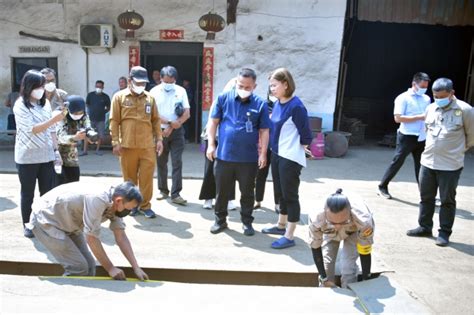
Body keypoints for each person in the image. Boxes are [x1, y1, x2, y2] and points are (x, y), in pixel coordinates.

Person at [27, 181, 149, 280]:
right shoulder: (98, 199)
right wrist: (111, 268)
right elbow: (91, 238)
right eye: (129, 209)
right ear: (118, 201)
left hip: (68, 223)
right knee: (78, 268)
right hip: (47, 220)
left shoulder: (117, 204)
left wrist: (136, 267)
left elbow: (121, 237)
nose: (129, 212)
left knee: (90, 266)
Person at [407, 78, 474, 246]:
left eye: (442, 96)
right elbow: (428, 130)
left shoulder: (465, 110)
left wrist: (457, 151)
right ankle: (424, 227)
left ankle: (444, 233)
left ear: (452, 94)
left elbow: (471, 136)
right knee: (425, 197)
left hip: (450, 165)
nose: (438, 99)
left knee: (447, 201)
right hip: (428, 162)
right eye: (435, 96)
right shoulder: (430, 108)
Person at [206, 68, 270, 235]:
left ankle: (247, 222)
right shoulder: (223, 98)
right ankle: (220, 221)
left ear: (254, 86)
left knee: (247, 192)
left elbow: (264, 131)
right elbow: (213, 123)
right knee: (222, 192)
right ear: (236, 82)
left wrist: (263, 154)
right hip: (224, 156)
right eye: (241, 85)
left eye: (247, 87)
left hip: (248, 158)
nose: (243, 89)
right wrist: (211, 144)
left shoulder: (260, 104)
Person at [261, 68, 312, 248]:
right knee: (280, 193)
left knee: (290, 195)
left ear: (286, 84)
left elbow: (306, 134)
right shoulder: (277, 103)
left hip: (290, 156)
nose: (272, 89)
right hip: (277, 153)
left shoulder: (296, 106)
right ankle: (281, 226)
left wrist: (303, 147)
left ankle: (289, 236)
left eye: (274, 85)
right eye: (270, 86)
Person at [14, 69, 65, 238]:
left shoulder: (45, 104)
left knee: (47, 193)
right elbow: (31, 130)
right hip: (27, 157)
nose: (42, 89)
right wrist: (54, 120)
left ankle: (45, 223)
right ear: (29, 86)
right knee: (28, 193)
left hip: (46, 155)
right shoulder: (20, 105)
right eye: (39, 86)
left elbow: (51, 130)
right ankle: (28, 224)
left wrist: (56, 151)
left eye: (43, 86)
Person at [110, 66, 163, 219]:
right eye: (138, 83)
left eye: (143, 84)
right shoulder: (119, 97)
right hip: (127, 146)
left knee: (147, 178)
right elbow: (114, 121)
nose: (141, 86)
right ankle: (131, 206)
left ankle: (145, 206)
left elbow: (155, 121)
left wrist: (159, 139)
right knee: (129, 179)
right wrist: (115, 142)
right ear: (129, 81)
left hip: (147, 146)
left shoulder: (150, 98)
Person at [378, 72, 431, 199]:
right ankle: (382, 186)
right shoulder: (403, 98)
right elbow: (398, 118)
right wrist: (419, 117)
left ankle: (425, 194)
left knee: (422, 165)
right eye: (422, 86)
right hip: (407, 136)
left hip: (422, 136)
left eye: (426, 87)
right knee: (397, 162)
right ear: (414, 84)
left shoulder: (426, 99)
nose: (424, 89)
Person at [308, 189, 374, 288]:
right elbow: (315, 247)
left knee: (348, 267)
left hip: (354, 231)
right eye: (333, 222)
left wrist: (366, 279)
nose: (338, 227)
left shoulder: (364, 222)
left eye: (343, 222)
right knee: (327, 266)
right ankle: (326, 293)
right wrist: (324, 278)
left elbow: (365, 251)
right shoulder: (316, 220)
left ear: (350, 213)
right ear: (325, 214)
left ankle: (349, 290)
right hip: (329, 233)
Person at [150, 66, 190, 205]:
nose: (168, 84)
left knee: (177, 162)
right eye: (166, 81)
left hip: (177, 132)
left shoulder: (181, 91)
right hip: (159, 131)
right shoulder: (153, 92)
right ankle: (163, 190)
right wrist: (168, 123)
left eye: (171, 82)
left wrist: (173, 126)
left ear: (175, 80)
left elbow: (186, 113)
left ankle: (176, 193)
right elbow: (152, 114)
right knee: (161, 162)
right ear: (160, 79)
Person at [254, 88, 280, 212]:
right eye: (272, 92)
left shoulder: (283, 107)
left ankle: (278, 203)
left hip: (277, 147)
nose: (274, 95)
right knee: (260, 175)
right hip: (263, 146)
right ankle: (257, 200)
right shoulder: (263, 105)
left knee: (277, 176)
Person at [56, 95, 92, 184]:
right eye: (75, 113)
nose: (78, 115)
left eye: (80, 112)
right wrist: (75, 137)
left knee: (74, 183)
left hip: (71, 157)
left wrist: (90, 135)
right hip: (56, 156)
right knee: (59, 184)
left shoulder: (83, 115)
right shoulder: (59, 116)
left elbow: (88, 126)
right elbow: (60, 137)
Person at [82, 80, 110, 156]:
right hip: (90, 118)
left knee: (100, 135)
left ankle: (97, 150)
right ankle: (85, 151)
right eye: (97, 86)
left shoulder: (106, 97)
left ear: (103, 87)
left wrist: (103, 111)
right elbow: (87, 104)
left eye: (100, 87)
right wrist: (89, 112)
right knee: (87, 134)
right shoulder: (90, 95)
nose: (98, 88)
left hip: (101, 119)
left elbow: (108, 107)